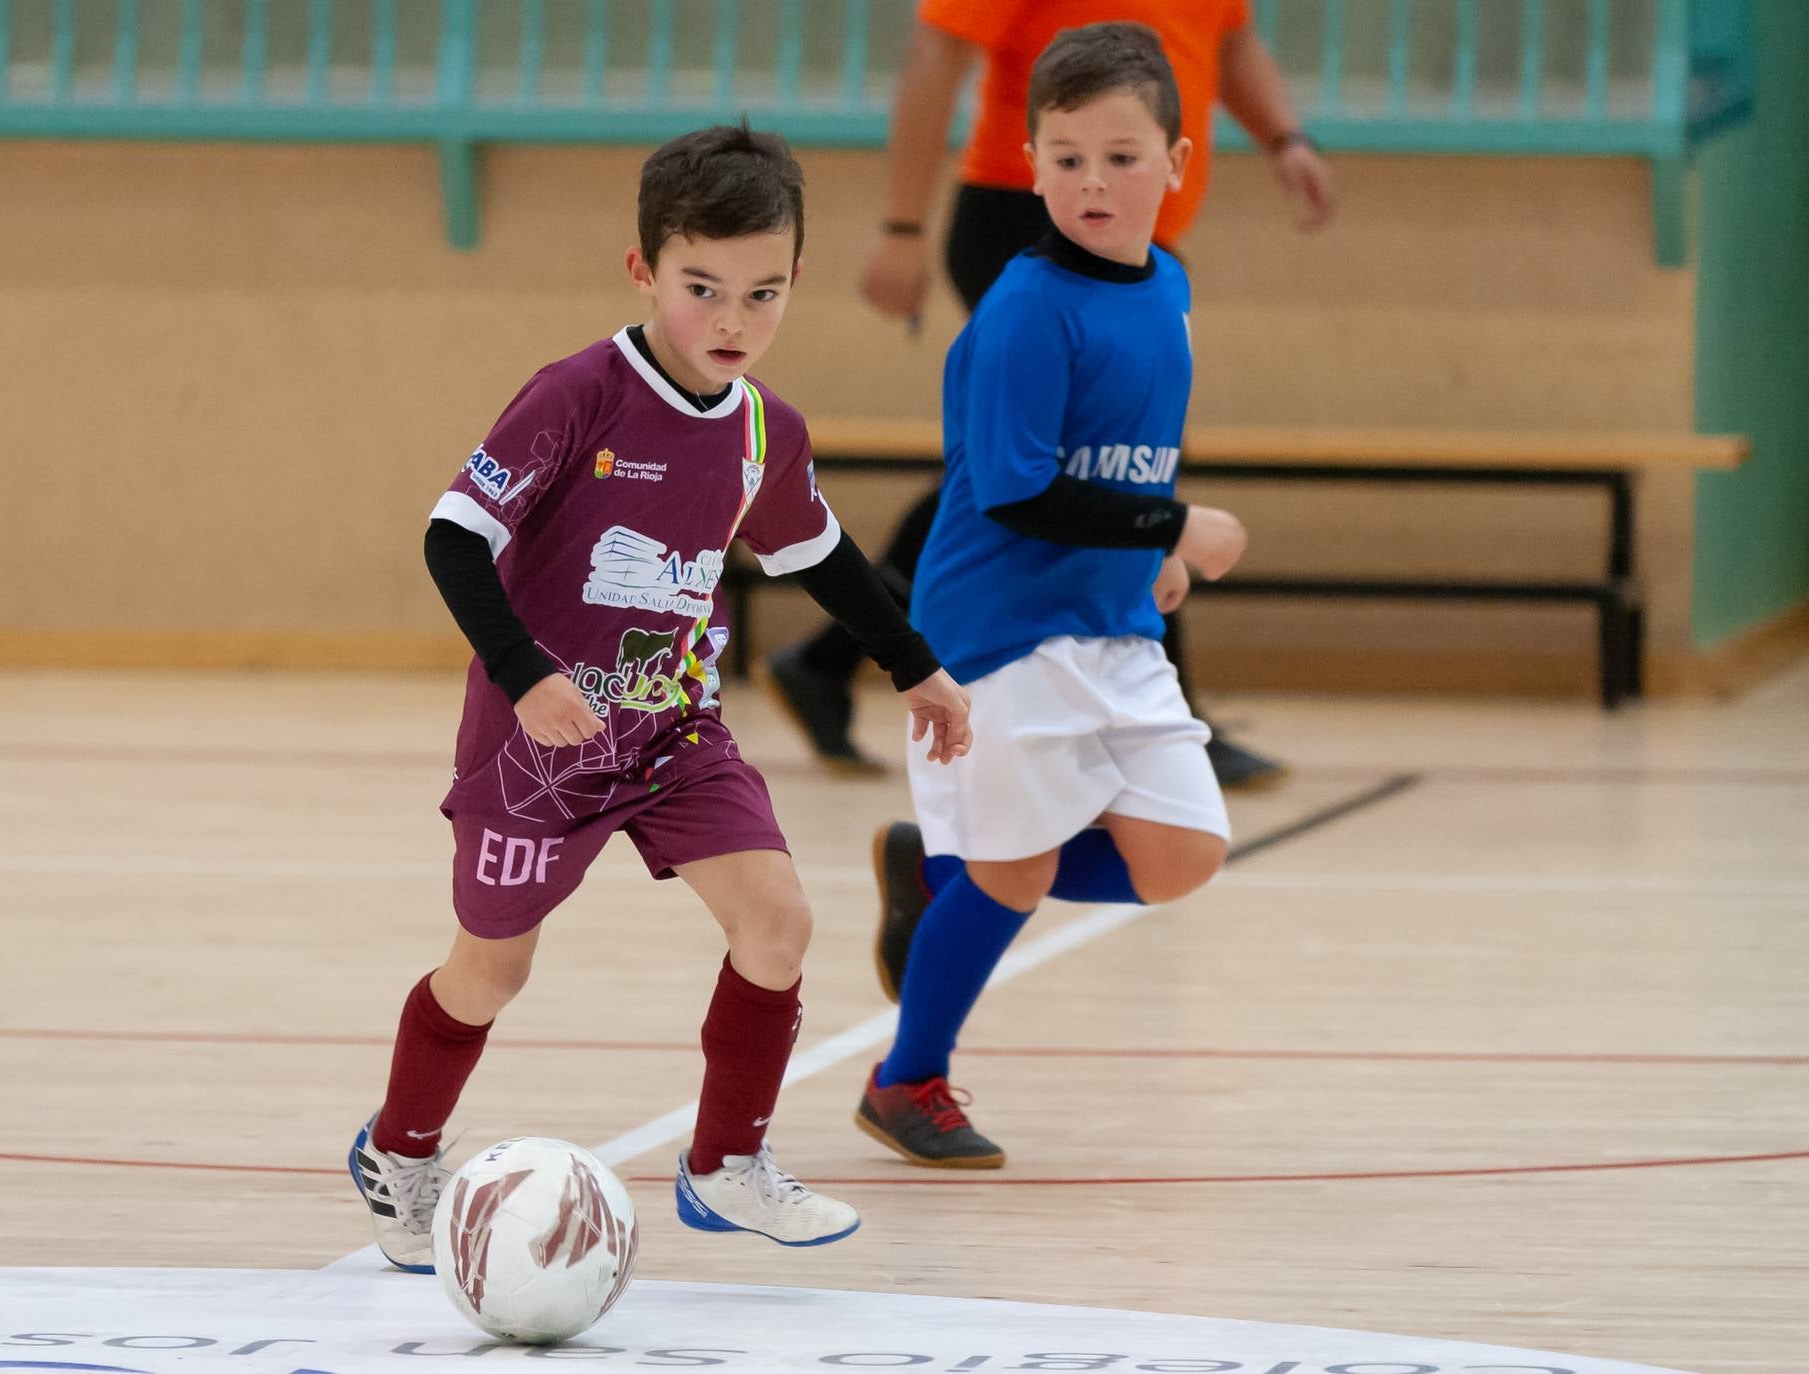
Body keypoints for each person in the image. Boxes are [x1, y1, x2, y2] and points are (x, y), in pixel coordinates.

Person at [347, 123, 973, 1267]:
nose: (732, 320)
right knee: (492, 970)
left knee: (777, 922)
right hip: (538, 745)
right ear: (642, 270)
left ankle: (726, 1165)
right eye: (702, 289)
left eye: (762, 293)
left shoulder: (765, 430)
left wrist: (914, 664)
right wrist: (526, 674)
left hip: (674, 730)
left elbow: (822, 555)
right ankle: (400, 1149)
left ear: (795, 280)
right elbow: (452, 539)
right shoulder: (576, 396)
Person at [853, 24, 1244, 1167]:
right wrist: (1173, 526)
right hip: (998, 632)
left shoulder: (1166, 285)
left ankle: (942, 872)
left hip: (1111, 622)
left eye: (1121, 158)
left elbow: (1127, 449)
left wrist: (1148, 553)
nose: (1092, 183)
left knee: (1183, 853)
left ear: (1177, 163)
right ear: (1028, 166)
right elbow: (1019, 490)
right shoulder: (1026, 309)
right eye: (1066, 159)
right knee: (1016, 870)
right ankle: (905, 1079)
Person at [767, 0, 1333, 789]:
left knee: (1051, 461)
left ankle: (828, 658)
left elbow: (1228, 40)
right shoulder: (1033, 281)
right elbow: (935, 53)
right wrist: (901, 227)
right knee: (1063, 463)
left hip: (1137, 232)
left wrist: (1284, 138)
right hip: (1022, 213)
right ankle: (1165, 717)